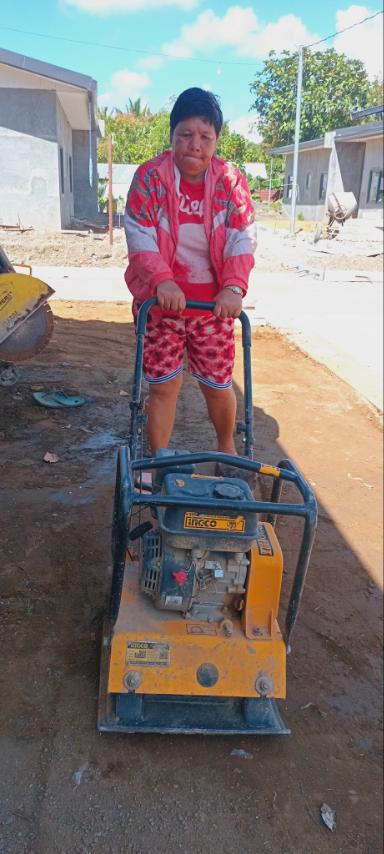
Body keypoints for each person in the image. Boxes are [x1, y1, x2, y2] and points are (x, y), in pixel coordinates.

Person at [124, 87, 257, 457]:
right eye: (185, 134)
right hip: (160, 304)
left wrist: (233, 287)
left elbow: (242, 237)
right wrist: (162, 280)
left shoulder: (230, 181)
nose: (194, 145)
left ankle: (227, 449)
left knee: (217, 384)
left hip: (212, 306)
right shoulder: (150, 177)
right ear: (171, 136)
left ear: (216, 140)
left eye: (205, 137)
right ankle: (159, 459)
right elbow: (140, 234)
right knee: (163, 387)